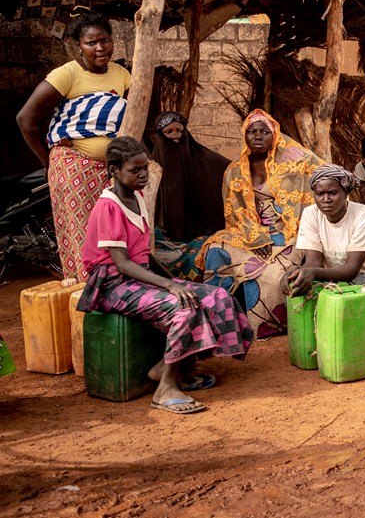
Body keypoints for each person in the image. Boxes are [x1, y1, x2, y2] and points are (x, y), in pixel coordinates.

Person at [77, 137, 252, 414]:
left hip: (137, 277)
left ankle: (178, 368)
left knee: (215, 295)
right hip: (112, 284)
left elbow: (143, 256)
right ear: (113, 171)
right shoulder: (108, 206)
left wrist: (179, 282)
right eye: (135, 170)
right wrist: (170, 286)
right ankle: (165, 389)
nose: (143, 174)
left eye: (145, 167)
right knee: (183, 306)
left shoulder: (135, 196)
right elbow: (122, 264)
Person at [16, 8, 131, 281]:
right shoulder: (66, 75)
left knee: (112, 235)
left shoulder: (121, 74)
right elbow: (26, 119)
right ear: (78, 45)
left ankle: (114, 293)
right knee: (83, 236)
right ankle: (86, 297)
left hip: (110, 170)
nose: (100, 48)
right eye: (91, 43)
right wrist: (48, 160)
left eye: (105, 40)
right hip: (73, 168)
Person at [197, 109, 324, 338]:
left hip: (288, 231)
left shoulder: (291, 164)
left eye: (265, 131)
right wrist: (255, 235)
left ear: (274, 135)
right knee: (216, 251)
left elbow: (321, 170)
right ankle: (215, 319)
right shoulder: (234, 171)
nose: (258, 136)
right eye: (252, 131)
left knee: (273, 272)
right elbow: (235, 212)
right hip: (249, 232)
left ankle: (266, 326)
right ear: (244, 136)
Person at [287, 165, 365, 349]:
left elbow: (352, 269)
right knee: (304, 288)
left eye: (333, 193)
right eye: (320, 194)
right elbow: (314, 262)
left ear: (346, 193)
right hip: (341, 281)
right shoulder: (310, 214)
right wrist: (295, 273)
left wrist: (311, 272)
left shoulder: (364, 215)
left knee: (359, 297)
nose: (326, 199)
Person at [150, 111, 231, 280]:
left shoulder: (201, 158)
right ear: (159, 134)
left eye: (180, 130)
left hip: (199, 232)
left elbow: (230, 169)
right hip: (165, 237)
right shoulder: (150, 167)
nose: (175, 136)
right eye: (169, 131)